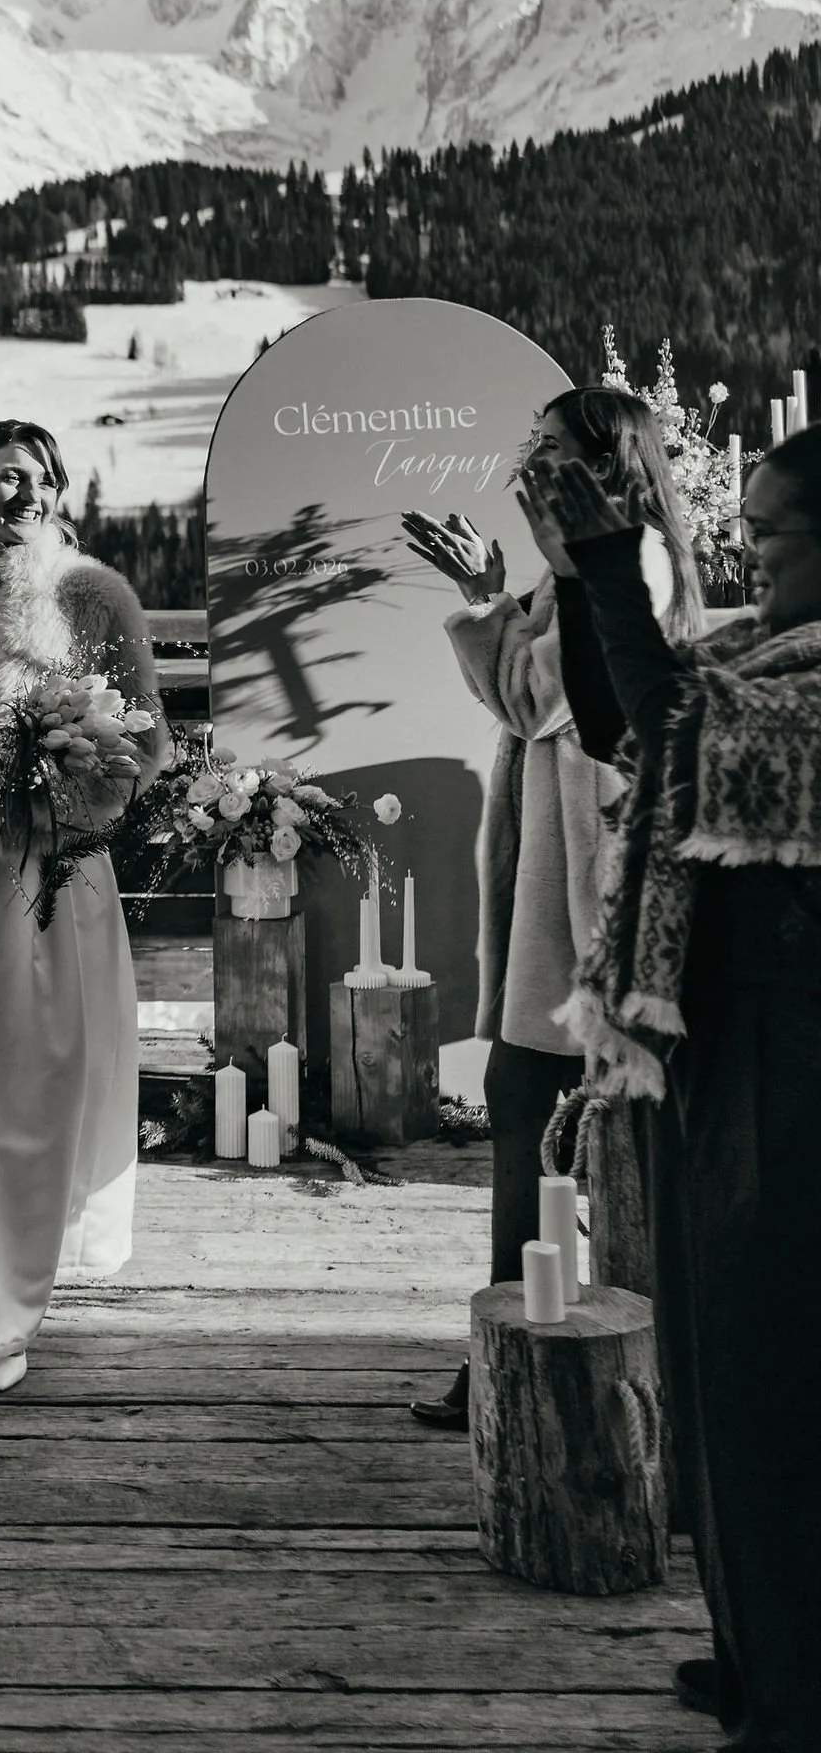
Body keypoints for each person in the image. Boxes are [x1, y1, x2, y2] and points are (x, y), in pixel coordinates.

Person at [528, 426, 821, 1753]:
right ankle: (753, 1648)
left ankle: (798, 1692)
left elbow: (674, 729)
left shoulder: (803, 683)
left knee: (773, 1386)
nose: (750, 549)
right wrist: (581, 573)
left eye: (771, 533)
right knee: (713, 1374)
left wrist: (605, 557)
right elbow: (618, 716)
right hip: (723, 1038)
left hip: (796, 1055)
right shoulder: (765, 650)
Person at [401, 387, 702, 1431]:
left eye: (542, 446)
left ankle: (557, 1362)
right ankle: (512, 1346)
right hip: (550, 892)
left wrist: (499, 606)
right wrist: (491, 598)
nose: (522, 458)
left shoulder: (633, 570)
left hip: (588, 904)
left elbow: (538, 701)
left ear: (598, 463)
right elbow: (517, 695)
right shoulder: (576, 572)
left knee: (556, 1130)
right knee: (529, 1117)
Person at [0, 422, 169, 1389]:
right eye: (11, 478)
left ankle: (17, 1284)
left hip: (54, 877)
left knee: (42, 1077)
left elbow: (149, 744)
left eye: (45, 481)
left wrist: (78, 779)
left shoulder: (95, 598)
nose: (30, 496)